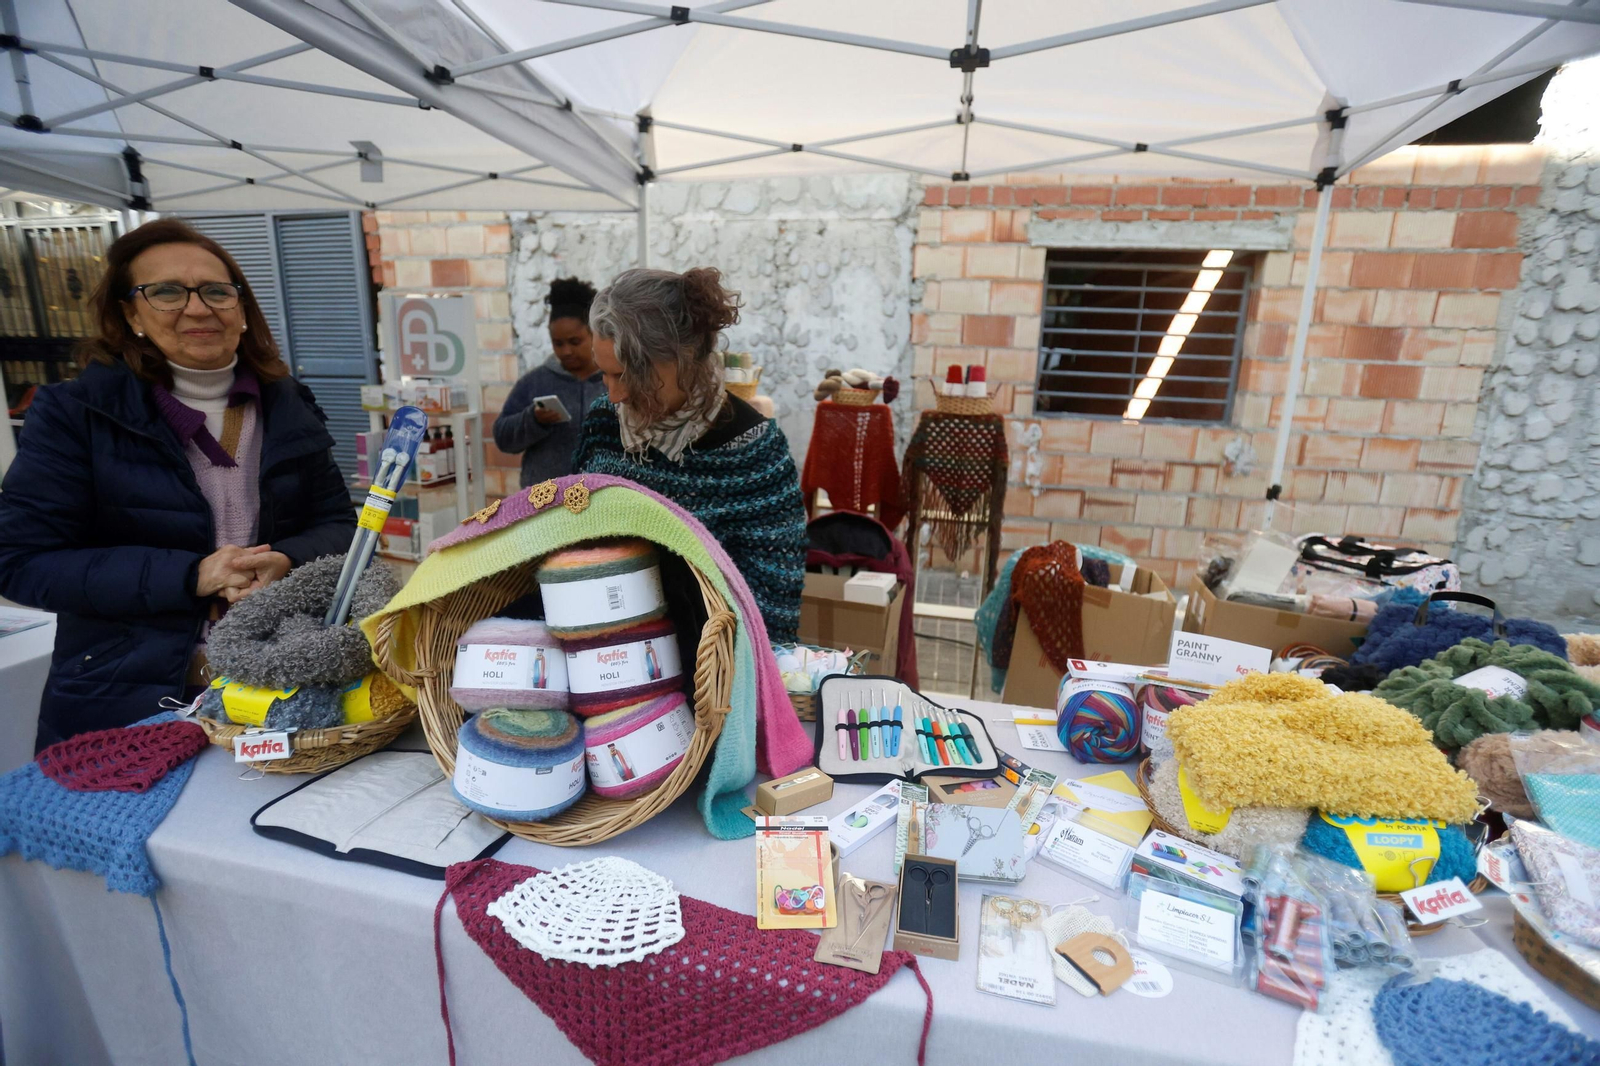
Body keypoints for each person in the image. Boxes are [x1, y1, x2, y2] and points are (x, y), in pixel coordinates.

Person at [0, 219, 356, 746]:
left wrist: (287, 559)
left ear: (241, 310)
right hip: (126, 696)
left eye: (216, 291)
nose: (198, 308)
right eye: (166, 292)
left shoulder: (288, 404)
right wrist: (191, 576)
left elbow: (338, 527)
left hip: (278, 687)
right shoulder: (78, 413)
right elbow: (20, 560)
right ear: (130, 312)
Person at [574, 267, 807, 643]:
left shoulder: (753, 455)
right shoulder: (605, 423)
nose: (615, 395)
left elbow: (771, 612)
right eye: (606, 375)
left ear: (683, 358)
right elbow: (573, 529)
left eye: (627, 376)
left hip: (709, 678)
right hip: (601, 653)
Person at [493, 277, 607, 487]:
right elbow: (502, 437)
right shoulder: (535, 382)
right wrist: (533, 420)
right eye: (558, 343)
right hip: (546, 503)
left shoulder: (616, 381)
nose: (566, 351)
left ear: (594, 333)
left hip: (603, 500)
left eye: (575, 341)